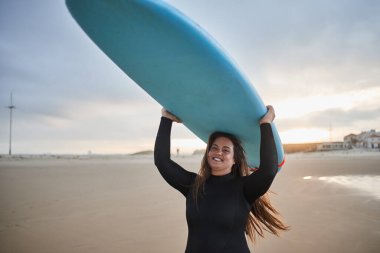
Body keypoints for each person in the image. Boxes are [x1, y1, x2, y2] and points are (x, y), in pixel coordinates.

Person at [154, 106, 288, 253]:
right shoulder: (193, 185)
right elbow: (162, 161)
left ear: (235, 159)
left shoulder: (244, 188)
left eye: (225, 150)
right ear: (208, 153)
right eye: (214, 148)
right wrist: (166, 119)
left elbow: (269, 169)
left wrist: (265, 123)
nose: (218, 152)